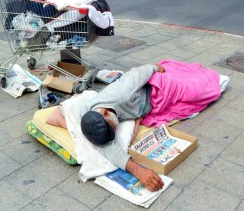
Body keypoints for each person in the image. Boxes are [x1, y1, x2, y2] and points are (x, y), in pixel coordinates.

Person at [46, 63, 166, 191]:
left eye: (113, 128)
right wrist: (139, 171)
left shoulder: (122, 94)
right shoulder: (90, 120)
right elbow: (107, 147)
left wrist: (154, 68)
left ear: (105, 112)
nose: (115, 131)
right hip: (145, 107)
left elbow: (137, 74)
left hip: (152, 89)